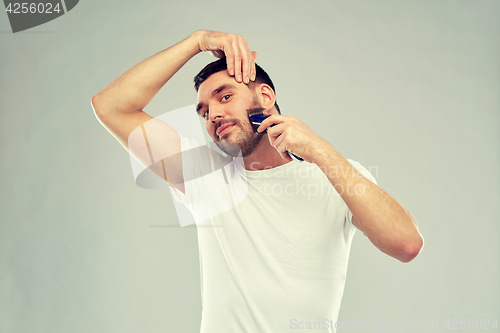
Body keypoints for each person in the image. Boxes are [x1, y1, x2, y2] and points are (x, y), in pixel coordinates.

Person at [92, 30, 424, 333]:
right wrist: (197, 41)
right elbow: (111, 108)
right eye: (204, 112)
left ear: (265, 96)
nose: (214, 115)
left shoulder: (335, 174)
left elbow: (406, 244)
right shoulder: (205, 175)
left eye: (224, 97)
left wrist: (320, 151)